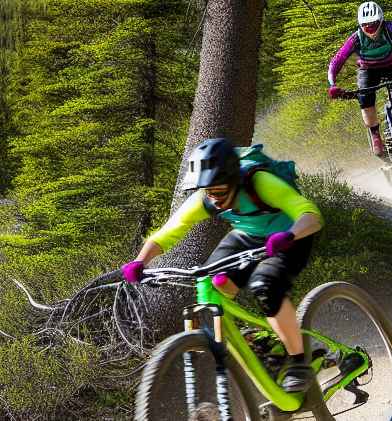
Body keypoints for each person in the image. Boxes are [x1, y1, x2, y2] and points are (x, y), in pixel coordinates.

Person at [120, 139, 324, 395]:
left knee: (266, 287)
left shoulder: (259, 183)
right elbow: (166, 235)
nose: (213, 198)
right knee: (211, 282)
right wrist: (140, 262)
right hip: (248, 234)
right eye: (207, 190)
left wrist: (290, 235)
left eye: (218, 189)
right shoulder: (206, 199)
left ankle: (298, 363)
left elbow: (311, 214)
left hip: (290, 236)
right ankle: (252, 341)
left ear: (234, 180)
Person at [326, 2, 392, 153]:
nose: (371, 28)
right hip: (367, 70)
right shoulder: (356, 39)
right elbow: (336, 62)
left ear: (382, 20)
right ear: (360, 24)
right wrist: (333, 85)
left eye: (375, 23)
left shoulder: (390, 29)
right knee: (365, 102)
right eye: (366, 25)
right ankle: (375, 134)